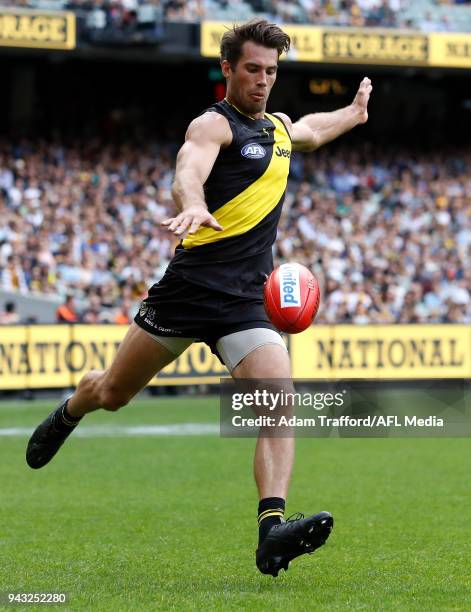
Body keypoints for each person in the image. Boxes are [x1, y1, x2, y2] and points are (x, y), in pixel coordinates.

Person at [26, 19, 372, 577]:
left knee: (278, 403)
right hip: (187, 294)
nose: (262, 81)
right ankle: (71, 410)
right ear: (228, 69)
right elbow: (189, 166)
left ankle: (272, 531)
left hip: (244, 303)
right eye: (253, 70)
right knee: (113, 392)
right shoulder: (214, 125)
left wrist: (351, 116)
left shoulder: (278, 129)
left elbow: (309, 129)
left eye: (271, 71)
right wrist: (191, 200)